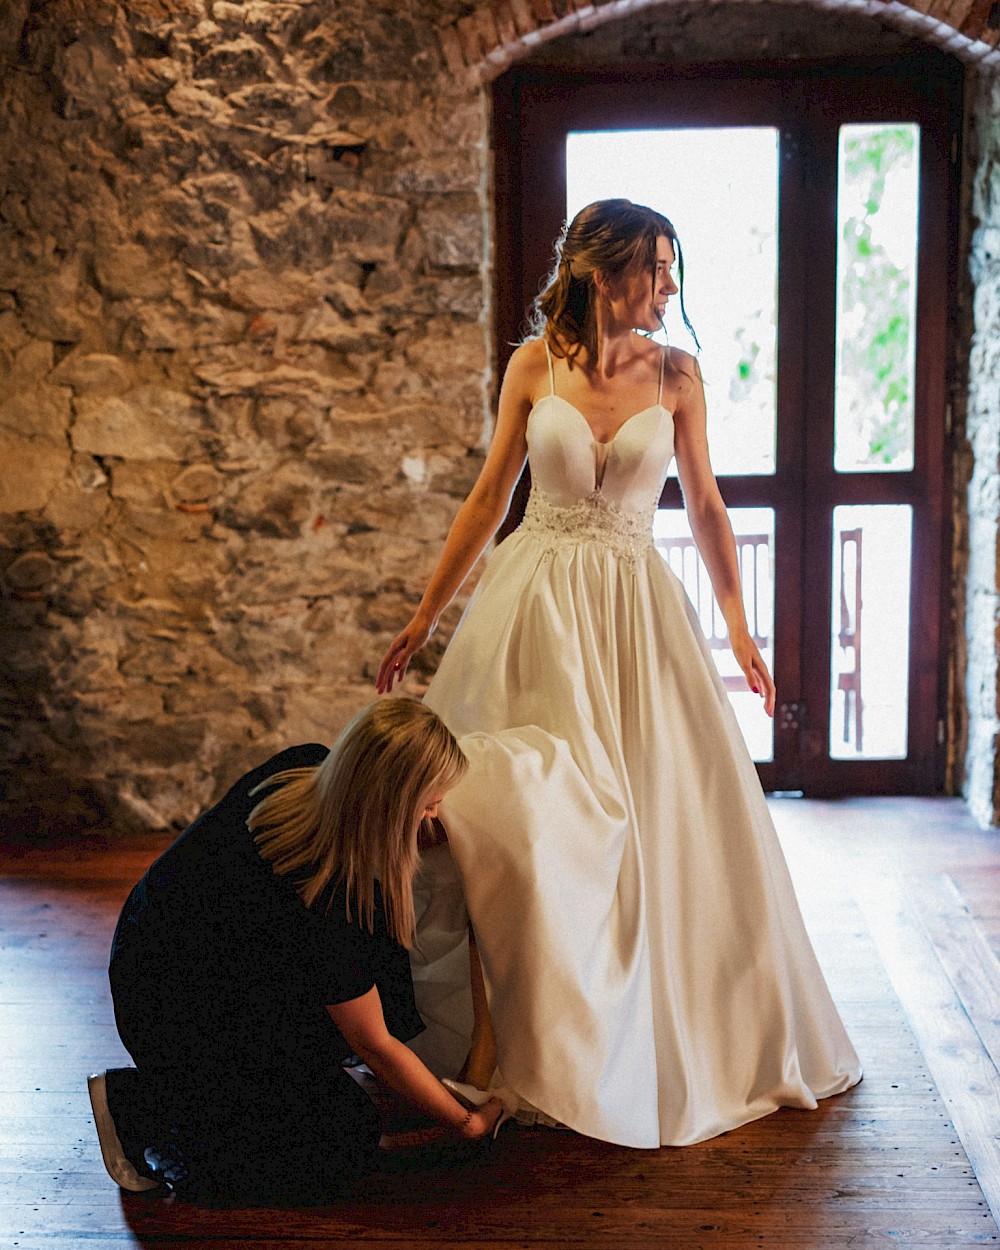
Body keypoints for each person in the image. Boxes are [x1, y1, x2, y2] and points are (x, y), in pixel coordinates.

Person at [377, 198, 862, 1147]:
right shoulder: (533, 367)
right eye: (657, 270)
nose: (670, 290)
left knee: (651, 823)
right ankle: (514, 1036)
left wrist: (739, 627)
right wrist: (425, 615)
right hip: (537, 611)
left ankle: (647, 1031)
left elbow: (712, 506)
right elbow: (490, 497)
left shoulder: (678, 378)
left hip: (637, 617)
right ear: (604, 274)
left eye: (674, 271)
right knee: (526, 816)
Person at [88, 698, 503, 1204]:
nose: (435, 815)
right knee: (338, 1144)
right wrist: (465, 1123)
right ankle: (144, 1105)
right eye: (428, 804)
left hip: (152, 946)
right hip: (174, 1015)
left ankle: (231, 1092)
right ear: (391, 804)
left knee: (373, 964)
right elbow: (374, 1042)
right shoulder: (326, 899)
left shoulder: (304, 764)